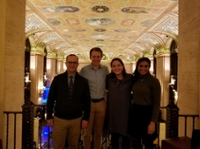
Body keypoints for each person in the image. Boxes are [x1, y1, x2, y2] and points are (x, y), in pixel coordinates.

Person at [46, 54, 91, 149]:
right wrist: (49, 116)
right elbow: (50, 99)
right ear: (66, 63)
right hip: (59, 119)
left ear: (78, 64)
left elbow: (87, 101)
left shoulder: (83, 81)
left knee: (74, 145)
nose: (72, 65)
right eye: (70, 62)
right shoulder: (58, 79)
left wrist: (86, 118)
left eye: (74, 63)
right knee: (58, 145)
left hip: (76, 119)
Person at [80, 47, 109, 149]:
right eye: (94, 56)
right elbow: (80, 86)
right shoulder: (84, 70)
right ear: (90, 57)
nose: (96, 59)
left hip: (101, 103)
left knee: (98, 132)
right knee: (87, 133)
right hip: (89, 104)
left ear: (101, 57)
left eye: (98, 56)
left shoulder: (105, 70)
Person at [129, 57, 161, 149]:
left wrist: (153, 122)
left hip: (148, 113)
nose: (143, 68)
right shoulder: (135, 79)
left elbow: (156, 103)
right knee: (135, 142)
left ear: (149, 67)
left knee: (148, 143)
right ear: (137, 66)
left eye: (146, 66)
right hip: (135, 112)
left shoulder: (154, 81)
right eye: (141, 66)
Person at [105, 58, 133, 149]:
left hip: (125, 113)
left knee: (126, 139)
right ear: (111, 68)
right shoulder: (108, 78)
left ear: (123, 66)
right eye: (114, 66)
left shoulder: (130, 78)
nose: (116, 68)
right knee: (114, 139)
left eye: (118, 65)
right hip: (113, 113)